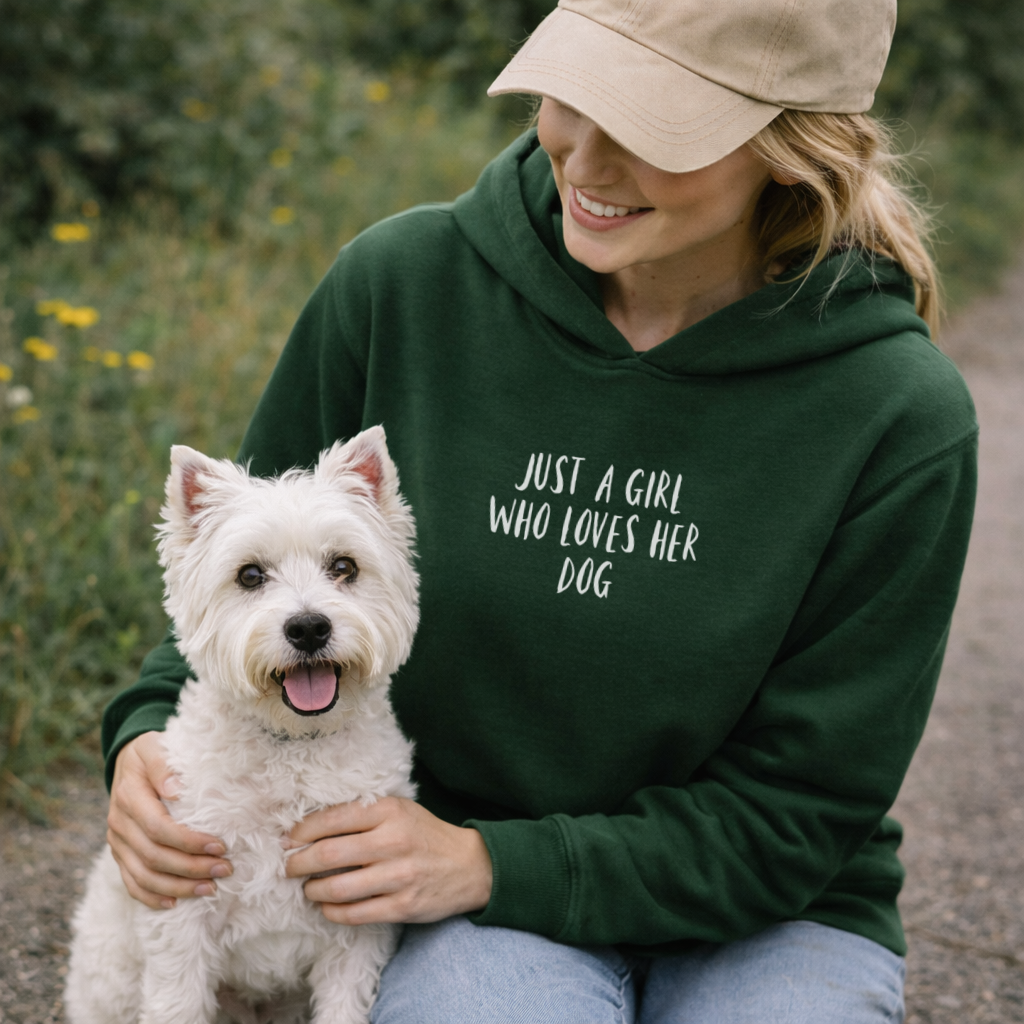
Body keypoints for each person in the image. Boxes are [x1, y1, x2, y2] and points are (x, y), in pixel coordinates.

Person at [100, 0, 978, 1020]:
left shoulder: (896, 415)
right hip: (453, 888)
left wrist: (492, 862)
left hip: (763, 911)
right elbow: (245, 557)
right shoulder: (402, 285)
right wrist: (144, 739)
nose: (587, 162)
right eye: (572, 98)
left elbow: (802, 806)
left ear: (791, 147)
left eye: (653, 129)